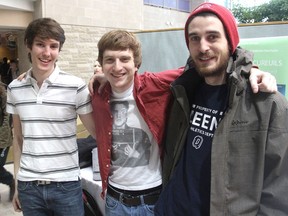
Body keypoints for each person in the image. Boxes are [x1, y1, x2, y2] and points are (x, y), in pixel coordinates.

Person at [90, 30, 277, 216]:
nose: (116, 67)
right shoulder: (98, 95)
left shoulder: (154, 85)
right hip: (114, 201)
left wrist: (251, 70)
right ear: (102, 64)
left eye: (124, 59)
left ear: (136, 63)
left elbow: (204, 66)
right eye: (109, 60)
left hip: (152, 199)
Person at [154, 3, 288, 215]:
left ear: (230, 42)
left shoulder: (268, 104)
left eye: (213, 37)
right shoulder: (182, 91)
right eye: (194, 38)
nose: (203, 47)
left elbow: (279, 192)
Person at [6, 18, 96, 216]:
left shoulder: (75, 86)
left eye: (53, 46)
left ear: (59, 49)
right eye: (40, 44)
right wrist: (17, 182)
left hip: (66, 186)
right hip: (29, 187)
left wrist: (102, 81)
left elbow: (98, 133)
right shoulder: (15, 89)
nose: (47, 53)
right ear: (28, 45)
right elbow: (18, 139)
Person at [0, 83, 14, 202]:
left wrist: (3, 136)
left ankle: (11, 182)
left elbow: (8, 116)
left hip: (2, 138)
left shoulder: (3, 92)